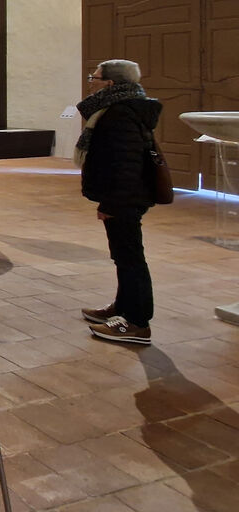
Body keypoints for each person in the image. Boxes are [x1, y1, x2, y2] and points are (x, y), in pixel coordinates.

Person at [75, 59, 162, 345]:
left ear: (110, 83)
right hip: (125, 195)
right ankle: (122, 307)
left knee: (130, 258)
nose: (91, 81)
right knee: (123, 256)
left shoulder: (119, 114)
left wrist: (111, 204)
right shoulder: (119, 109)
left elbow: (123, 164)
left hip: (124, 197)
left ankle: (137, 323)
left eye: (95, 77)